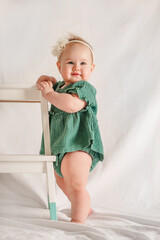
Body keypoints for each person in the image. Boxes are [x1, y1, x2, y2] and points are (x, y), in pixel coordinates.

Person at [36, 34, 104, 224]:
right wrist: (47, 81)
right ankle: (84, 206)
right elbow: (51, 88)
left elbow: (71, 105)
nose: (76, 67)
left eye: (83, 63)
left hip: (78, 144)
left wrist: (49, 93)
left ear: (91, 68)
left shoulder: (84, 88)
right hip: (59, 146)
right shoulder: (58, 87)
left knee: (75, 184)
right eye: (70, 62)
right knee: (62, 182)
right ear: (59, 66)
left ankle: (78, 221)